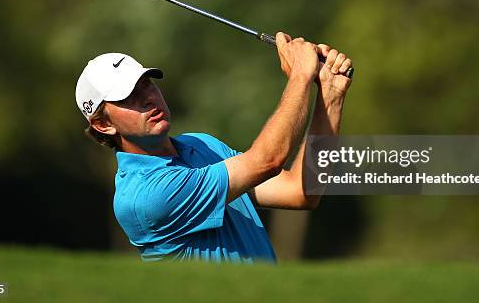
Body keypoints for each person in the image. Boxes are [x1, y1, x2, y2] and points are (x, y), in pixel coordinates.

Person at [75, 32, 352, 263]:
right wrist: (301, 76)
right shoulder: (145, 196)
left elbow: (300, 192)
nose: (148, 98)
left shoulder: (202, 145)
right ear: (103, 125)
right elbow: (268, 160)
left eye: (147, 85)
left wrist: (330, 98)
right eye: (129, 97)